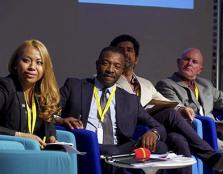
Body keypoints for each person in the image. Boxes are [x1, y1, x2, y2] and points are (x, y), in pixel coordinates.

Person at [109, 34, 223, 174]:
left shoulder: (146, 83)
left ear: (136, 58)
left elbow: (166, 102)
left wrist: (181, 108)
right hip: (130, 127)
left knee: (179, 139)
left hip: (153, 128)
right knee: (169, 113)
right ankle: (212, 157)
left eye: (129, 50)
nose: (125, 53)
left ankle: (213, 159)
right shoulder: (109, 80)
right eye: (121, 49)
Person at [56, 46, 168, 174]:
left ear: (122, 71)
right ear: (97, 64)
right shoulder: (74, 86)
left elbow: (159, 127)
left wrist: (153, 133)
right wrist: (62, 120)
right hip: (86, 145)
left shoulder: (130, 99)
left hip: (119, 148)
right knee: (112, 154)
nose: (110, 70)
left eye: (117, 66)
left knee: (161, 147)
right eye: (105, 64)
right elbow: (50, 113)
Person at [156, 47, 223, 146]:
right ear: (178, 62)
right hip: (193, 136)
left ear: (200, 69)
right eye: (186, 59)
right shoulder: (166, 85)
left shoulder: (205, 84)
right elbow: (179, 114)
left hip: (216, 135)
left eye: (194, 62)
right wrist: (215, 126)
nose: (190, 63)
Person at [0, 39, 61, 146]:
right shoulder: (5, 88)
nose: (32, 67)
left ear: (45, 68)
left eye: (39, 62)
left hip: (32, 154)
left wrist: (52, 137)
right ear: (15, 64)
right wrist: (20, 136)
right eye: (26, 60)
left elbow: (49, 123)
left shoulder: (42, 93)